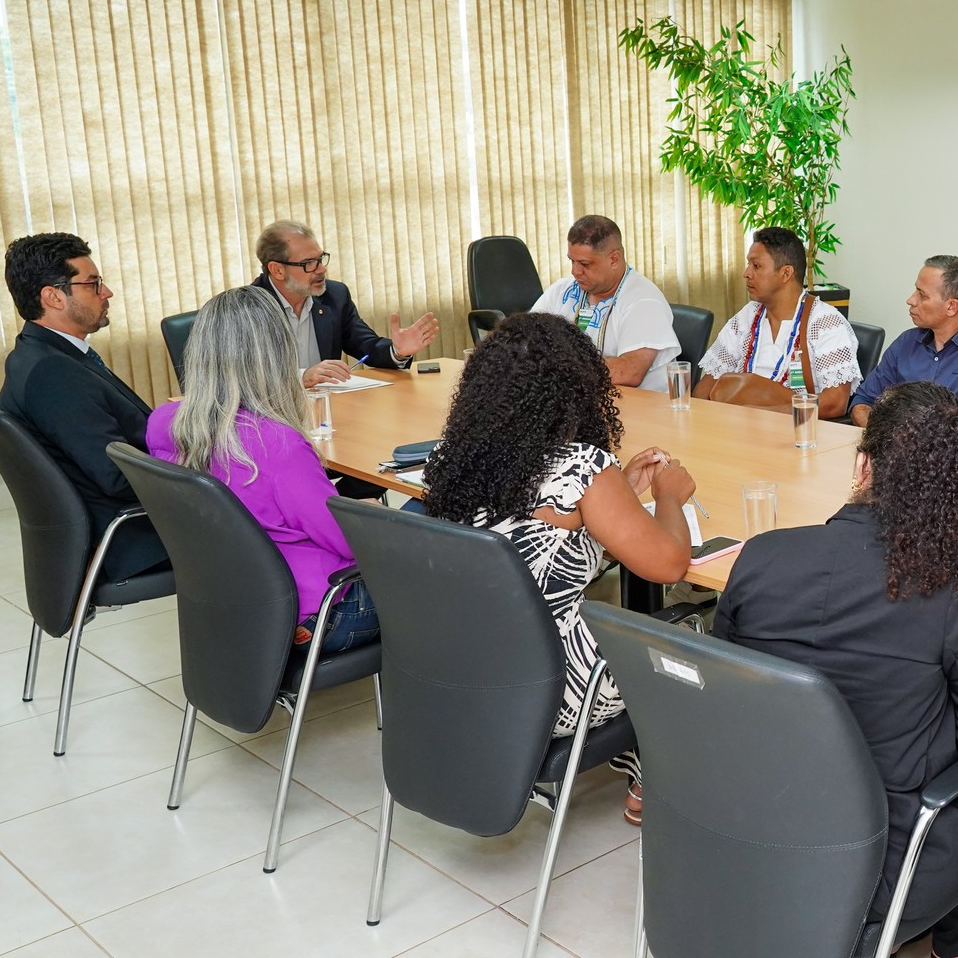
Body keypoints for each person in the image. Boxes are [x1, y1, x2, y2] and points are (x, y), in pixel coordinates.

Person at [715, 382, 958, 958]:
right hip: (883, 866)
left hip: (749, 824)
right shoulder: (955, 596)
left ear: (861, 466)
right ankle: (957, 947)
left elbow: (733, 684)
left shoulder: (760, 555)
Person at [422, 312, 695, 824]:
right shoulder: (581, 465)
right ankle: (653, 768)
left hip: (463, 668)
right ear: (575, 389)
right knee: (695, 635)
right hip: (551, 685)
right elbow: (669, 565)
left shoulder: (455, 458)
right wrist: (668, 499)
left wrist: (620, 496)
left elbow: (537, 543)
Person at [145, 287, 377, 653]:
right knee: (440, 556)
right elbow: (347, 540)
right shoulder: (277, 444)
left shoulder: (164, 422)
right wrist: (377, 521)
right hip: (318, 612)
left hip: (232, 604)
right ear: (276, 356)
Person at [0, 233, 168, 580]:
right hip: (131, 537)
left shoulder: (39, 354)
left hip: (126, 524)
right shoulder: (53, 374)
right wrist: (202, 465)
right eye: (93, 284)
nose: (107, 293)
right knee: (279, 524)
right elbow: (117, 476)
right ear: (53, 296)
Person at [249, 220, 440, 389]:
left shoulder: (334, 296)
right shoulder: (246, 309)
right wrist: (301, 377)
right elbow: (242, 377)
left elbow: (365, 345)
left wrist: (398, 352)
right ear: (277, 270)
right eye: (309, 263)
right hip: (269, 418)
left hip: (327, 410)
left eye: (321, 258)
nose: (322, 269)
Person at [694, 226, 859, 416]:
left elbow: (835, 402)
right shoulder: (747, 316)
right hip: (737, 430)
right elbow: (704, 389)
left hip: (796, 434)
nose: (746, 273)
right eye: (749, 265)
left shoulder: (826, 323)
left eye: (756, 266)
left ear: (786, 273)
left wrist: (761, 415)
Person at [849, 255, 958, 431]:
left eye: (922, 295)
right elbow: (863, 402)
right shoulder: (906, 342)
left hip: (957, 456)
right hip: (895, 451)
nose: (911, 300)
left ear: (951, 307)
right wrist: (886, 437)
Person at [530, 213, 681, 392]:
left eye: (585, 264)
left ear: (614, 259)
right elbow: (526, 339)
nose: (575, 271)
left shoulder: (643, 299)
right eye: (572, 261)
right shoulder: (561, 291)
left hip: (642, 411)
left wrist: (556, 368)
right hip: (582, 402)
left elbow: (629, 371)